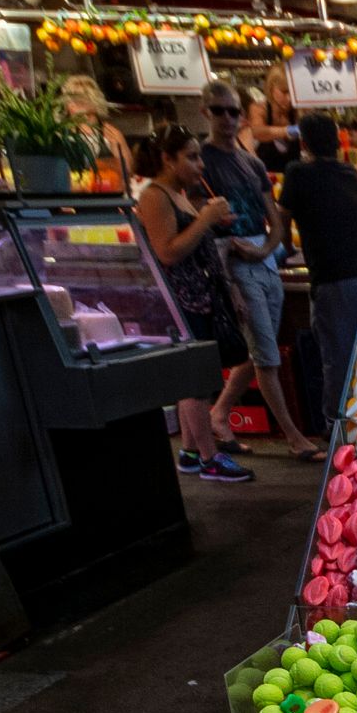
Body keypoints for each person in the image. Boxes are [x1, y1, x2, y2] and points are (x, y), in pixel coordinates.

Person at [199, 84, 324, 460]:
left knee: (259, 352)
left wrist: (264, 250)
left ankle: (219, 414)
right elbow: (198, 224)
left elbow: (275, 221)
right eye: (219, 111)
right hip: (233, 264)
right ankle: (294, 437)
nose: (227, 118)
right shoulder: (200, 160)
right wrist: (228, 277)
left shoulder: (250, 161)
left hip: (261, 260)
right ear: (205, 112)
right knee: (267, 355)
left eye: (233, 111)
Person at [134, 127, 253, 482]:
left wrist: (228, 288)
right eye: (190, 156)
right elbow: (167, 252)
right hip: (182, 301)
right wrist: (205, 219)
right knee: (195, 381)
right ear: (166, 159)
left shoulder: (180, 194)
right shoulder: (155, 196)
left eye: (198, 155)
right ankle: (209, 457)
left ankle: (189, 451)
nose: (199, 164)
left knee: (202, 377)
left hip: (204, 297)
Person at [278, 110, 357, 421]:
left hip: (333, 276)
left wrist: (285, 249)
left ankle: (338, 426)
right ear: (336, 141)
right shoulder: (349, 173)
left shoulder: (297, 174)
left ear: (303, 143)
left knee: (338, 355)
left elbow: (282, 219)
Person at [62, 73, 135, 196]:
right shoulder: (61, 136)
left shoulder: (112, 134)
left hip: (109, 201)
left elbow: (127, 172)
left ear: (95, 101)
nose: (73, 105)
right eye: (71, 101)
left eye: (80, 100)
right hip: (72, 203)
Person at [244, 62, 299, 169]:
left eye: (292, 92)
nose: (289, 98)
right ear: (271, 88)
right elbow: (257, 132)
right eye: (284, 92)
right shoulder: (259, 108)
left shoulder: (298, 111)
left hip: (294, 177)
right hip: (266, 176)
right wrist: (287, 131)